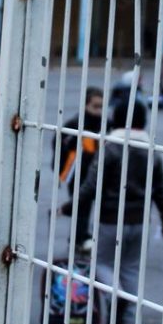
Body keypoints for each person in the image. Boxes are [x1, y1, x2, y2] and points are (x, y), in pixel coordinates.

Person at [73, 100, 163, 324]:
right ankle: (126, 320)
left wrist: (71, 206)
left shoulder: (111, 147)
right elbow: (161, 190)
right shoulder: (151, 151)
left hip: (110, 218)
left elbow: (91, 184)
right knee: (131, 268)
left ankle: (116, 296)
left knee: (102, 263)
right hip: (139, 221)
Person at [55, 87, 105, 252]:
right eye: (95, 106)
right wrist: (61, 169)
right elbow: (59, 144)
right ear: (86, 105)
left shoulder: (105, 124)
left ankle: (81, 234)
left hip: (96, 173)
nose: (99, 111)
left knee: (86, 206)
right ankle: (78, 238)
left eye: (101, 107)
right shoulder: (74, 125)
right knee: (81, 205)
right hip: (77, 173)